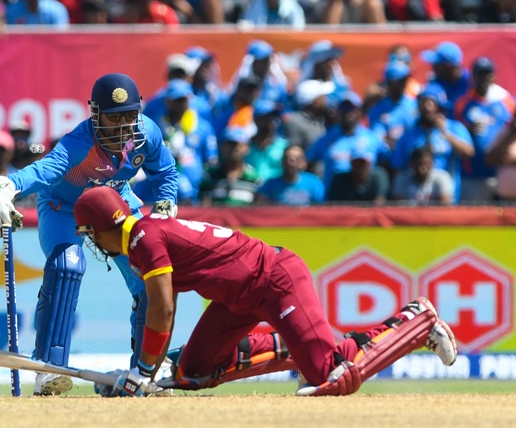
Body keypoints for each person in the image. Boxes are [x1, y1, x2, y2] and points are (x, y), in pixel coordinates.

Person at [72, 186, 458, 397]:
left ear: (101, 225)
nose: (93, 241)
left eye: (90, 233)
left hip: (274, 280)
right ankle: (299, 343)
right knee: (194, 373)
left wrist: (141, 371)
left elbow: (162, 309)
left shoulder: (142, 238)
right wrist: (147, 369)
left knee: (330, 375)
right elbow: (160, 311)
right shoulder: (142, 233)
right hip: (239, 298)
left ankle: (416, 320)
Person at [0, 73, 178, 396]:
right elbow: (42, 172)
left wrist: (167, 202)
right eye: (114, 119)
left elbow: (166, 171)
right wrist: (6, 187)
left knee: (150, 274)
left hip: (115, 202)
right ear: (96, 116)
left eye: (129, 116)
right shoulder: (78, 144)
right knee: (67, 265)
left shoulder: (147, 133)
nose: (123, 127)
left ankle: (146, 373)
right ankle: (49, 369)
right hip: (64, 207)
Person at [393, 83, 474, 203]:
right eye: (424, 103)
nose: (428, 108)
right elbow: (398, 167)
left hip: (448, 194)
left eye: (433, 104)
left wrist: (445, 133)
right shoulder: (409, 134)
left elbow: (469, 152)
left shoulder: (454, 127)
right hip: (416, 198)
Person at [453, 57, 514, 202]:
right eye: (480, 74)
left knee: (503, 219)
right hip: (474, 175)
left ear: (494, 76)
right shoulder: (463, 103)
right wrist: (467, 129)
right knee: (474, 221)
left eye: (487, 74)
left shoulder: (507, 101)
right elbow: (453, 129)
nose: (484, 78)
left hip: (502, 173)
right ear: (473, 76)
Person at [255, 145, 325, 205]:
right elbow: (260, 207)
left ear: (303, 163)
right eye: (287, 158)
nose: (291, 162)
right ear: (282, 162)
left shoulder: (314, 183)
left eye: (297, 159)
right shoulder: (270, 184)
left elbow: (323, 208)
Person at [282, 79, 336, 152]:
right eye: (322, 97)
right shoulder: (293, 122)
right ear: (315, 102)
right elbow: (294, 155)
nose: (326, 99)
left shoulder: (326, 117)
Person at [420, 41, 472, 112]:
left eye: (436, 63)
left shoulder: (470, 81)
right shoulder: (435, 81)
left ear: (448, 66)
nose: (433, 66)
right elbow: (429, 94)